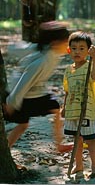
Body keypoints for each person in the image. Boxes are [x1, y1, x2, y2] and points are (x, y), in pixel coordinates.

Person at [2, 21, 73, 154]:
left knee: (26, 123)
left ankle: (59, 145)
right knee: (26, 122)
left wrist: (11, 49)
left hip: (32, 93)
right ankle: (5, 151)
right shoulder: (42, 61)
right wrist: (11, 103)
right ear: (55, 43)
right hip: (20, 96)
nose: (68, 46)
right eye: (66, 42)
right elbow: (24, 82)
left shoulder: (47, 51)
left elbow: (22, 48)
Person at [61, 31, 95, 178]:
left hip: (86, 111)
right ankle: (78, 166)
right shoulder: (68, 70)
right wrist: (64, 106)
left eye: (82, 48)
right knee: (76, 140)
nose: (77, 51)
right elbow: (67, 91)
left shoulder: (89, 65)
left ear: (88, 50)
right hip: (73, 111)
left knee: (90, 139)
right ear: (69, 50)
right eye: (74, 48)